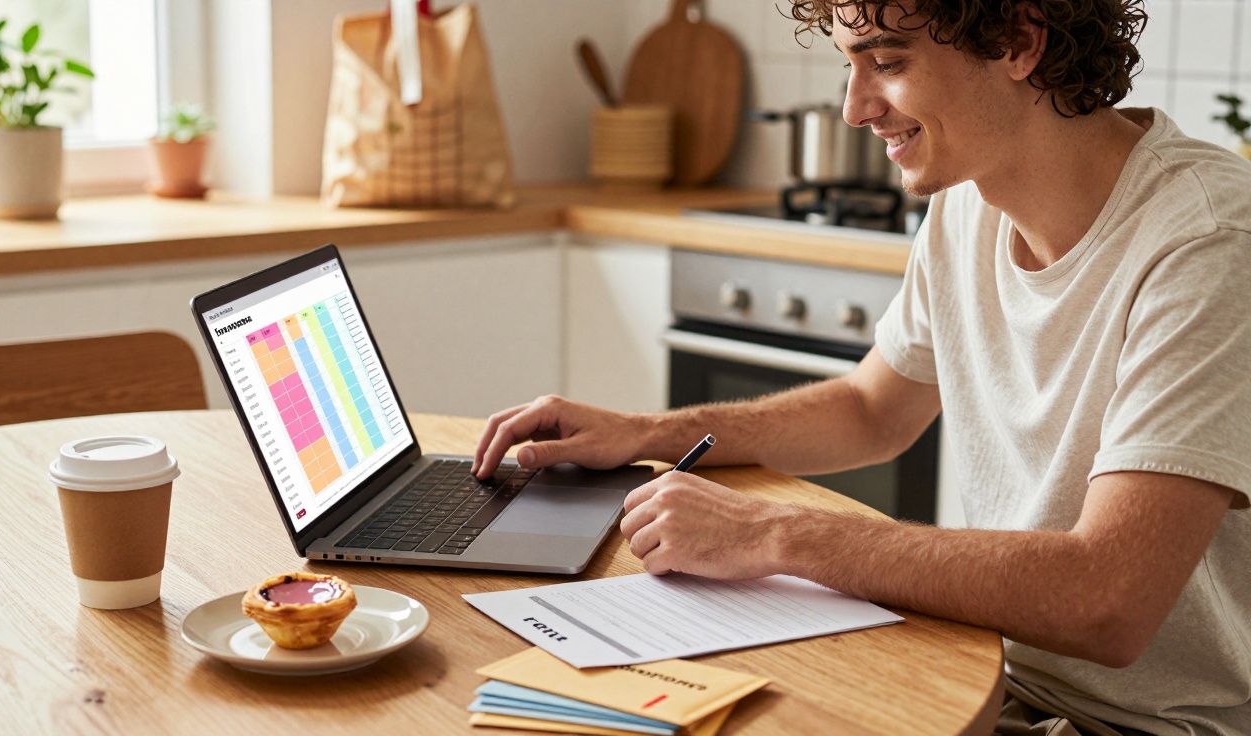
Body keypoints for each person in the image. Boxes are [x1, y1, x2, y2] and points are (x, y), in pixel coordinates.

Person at [472, 1, 1251, 733]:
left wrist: (778, 532)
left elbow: (1106, 600)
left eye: (886, 60)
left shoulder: (1208, 241)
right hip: (990, 670)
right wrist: (647, 431)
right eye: (852, 62)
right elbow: (871, 409)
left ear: (1020, 41)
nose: (856, 107)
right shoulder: (970, 199)